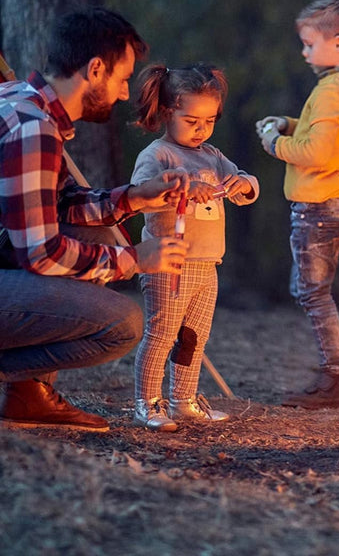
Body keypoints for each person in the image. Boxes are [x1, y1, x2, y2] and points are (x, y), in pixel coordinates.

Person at [0, 7, 190, 432]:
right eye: (123, 80)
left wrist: (135, 198)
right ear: (96, 69)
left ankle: (27, 396)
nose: (125, 94)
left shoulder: (20, 103)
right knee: (123, 324)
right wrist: (133, 258)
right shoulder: (33, 128)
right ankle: (22, 387)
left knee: (85, 234)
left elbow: (61, 204)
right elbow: (42, 254)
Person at [255, 0, 339, 409]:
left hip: (320, 204)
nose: (304, 52)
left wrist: (273, 142)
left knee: (312, 293)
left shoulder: (330, 92)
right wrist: (289, 123)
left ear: (338, 41)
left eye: (309, 43)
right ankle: (336, 372)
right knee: (311, 290)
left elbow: (314, 153)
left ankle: (337, 379)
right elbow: (328, 134)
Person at [130, 64, 259, 431]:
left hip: (207, 263)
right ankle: (146, 402)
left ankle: (183, 399)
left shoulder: (213, 156)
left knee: (193, 337)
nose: (201, 129)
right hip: (169, 262)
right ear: (168, 112)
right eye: (192, 121)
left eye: (210, 120)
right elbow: (141, 197)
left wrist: (242, 184)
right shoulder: (157, 156)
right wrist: (181, 188)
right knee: (162, 333)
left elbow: (249, 184)